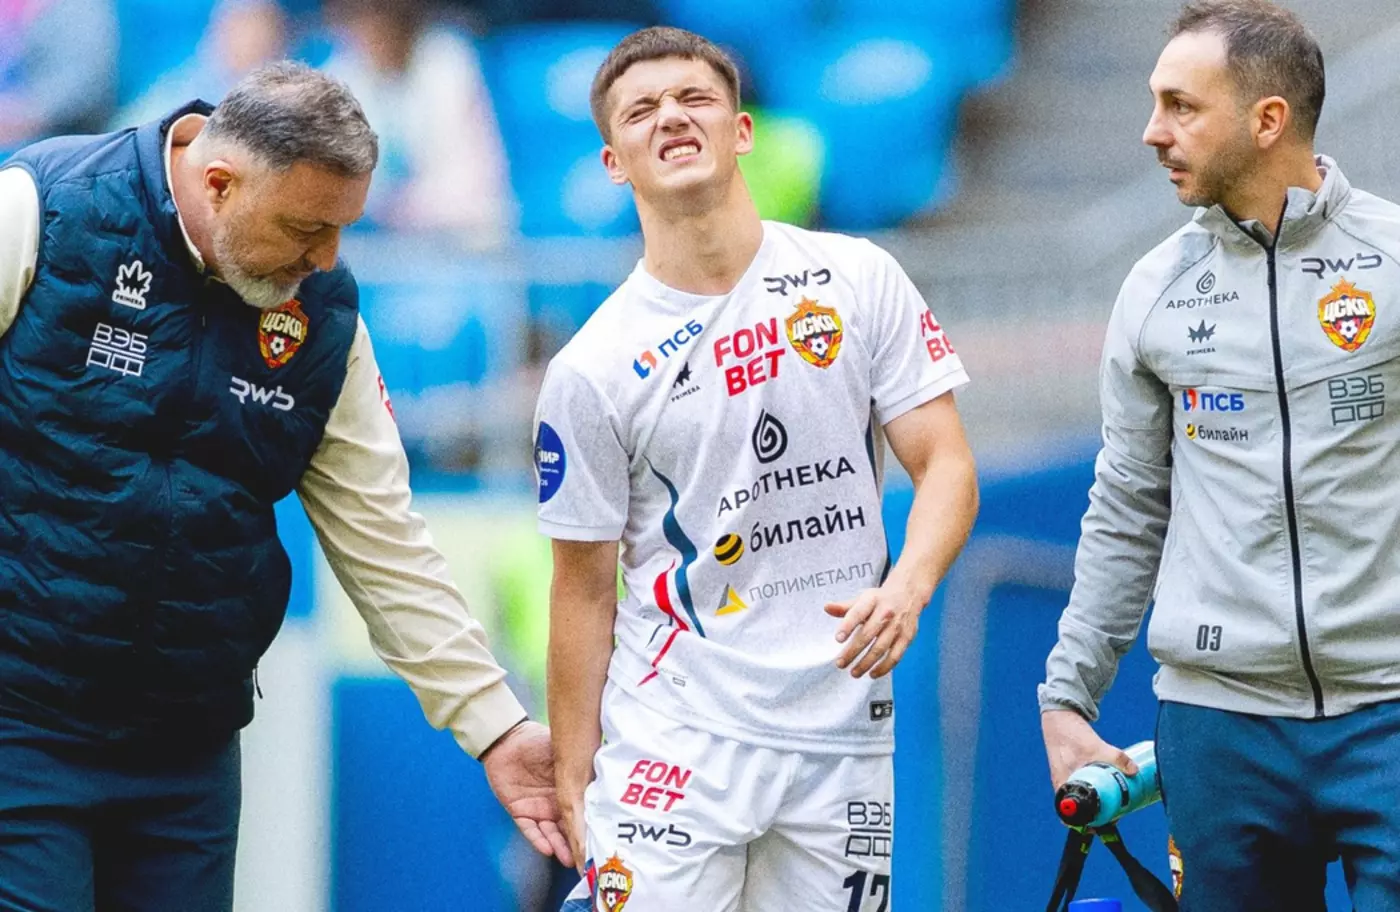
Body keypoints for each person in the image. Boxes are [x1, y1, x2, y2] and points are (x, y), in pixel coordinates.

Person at [0, 61, 570, 910]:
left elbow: (384, 543)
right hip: (18, 722)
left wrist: (497, 728)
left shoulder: (324, 316)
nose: (327, 258)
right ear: (219, 183)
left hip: (188, 750)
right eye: (307, 228)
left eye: (342, 229)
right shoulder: (41, 206)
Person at [534, 27, 978, 911]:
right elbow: (581, 590)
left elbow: (946, 464)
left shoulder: (857, 277)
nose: (671, 117)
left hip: (842, 733)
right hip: (674, 736)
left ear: (741, 131)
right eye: (641, 110)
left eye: (694, 98)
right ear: (613, 162)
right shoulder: (590, 368)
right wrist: (574, 771)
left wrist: (909, 586)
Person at [1039, 2, 1400, 908]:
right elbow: (1128, 503)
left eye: (1181, 106)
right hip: (1220, 728)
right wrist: (1067, 695)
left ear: (1268, 119)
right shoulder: (1154, 289)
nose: (1152, 131)